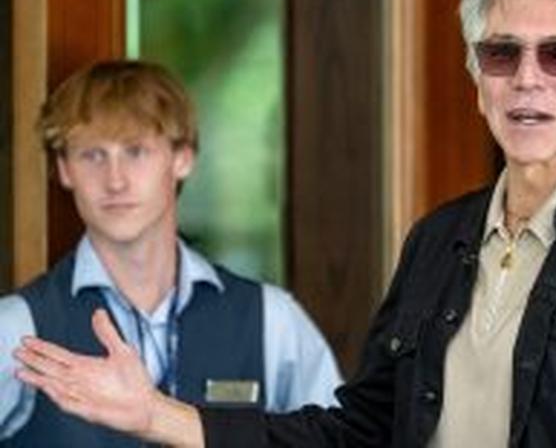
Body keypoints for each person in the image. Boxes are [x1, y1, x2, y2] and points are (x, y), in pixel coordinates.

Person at [13, 0, 556, 447]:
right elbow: (358, 433)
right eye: (501, 54)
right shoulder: (439, 239)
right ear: (477, 82)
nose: (527, 79)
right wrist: (157, 414)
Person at [0, 60, 342, 446]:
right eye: (92, 155)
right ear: (64, 169)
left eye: (136, 151)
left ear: (183, 157)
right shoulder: (16, 329)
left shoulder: (272, 320)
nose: (115, 180)